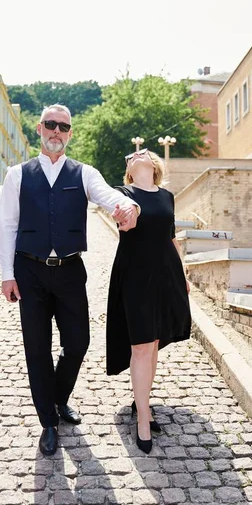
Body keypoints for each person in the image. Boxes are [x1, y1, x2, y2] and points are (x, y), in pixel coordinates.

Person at [0, 104, 139, 456]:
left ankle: (59, 398)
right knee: (37, 349)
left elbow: (109, 196)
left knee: (78, 343)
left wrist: (127, 207)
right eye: (50, 124)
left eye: (63, 126)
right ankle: (47, 421)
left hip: (71, 269)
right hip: (29, 271)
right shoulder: (17, 175)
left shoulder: (84, 173)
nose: (56, 131)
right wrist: (6, 275)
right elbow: (7, 227)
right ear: (39, 128)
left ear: (70, 132)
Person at [106, 148, 191, 454]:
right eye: (131, 153)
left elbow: (171, 238)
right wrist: (126, 216)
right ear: (129, 167)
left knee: (153, 344)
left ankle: (143, 402)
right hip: (135, 274)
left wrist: (182, 277)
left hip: (166, 273)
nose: (137, 152)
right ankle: (142, 417)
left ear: (155, 164)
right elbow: (123, 221)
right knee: (141, 345)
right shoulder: (122, 192)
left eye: (144, 150)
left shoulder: (167, 196)